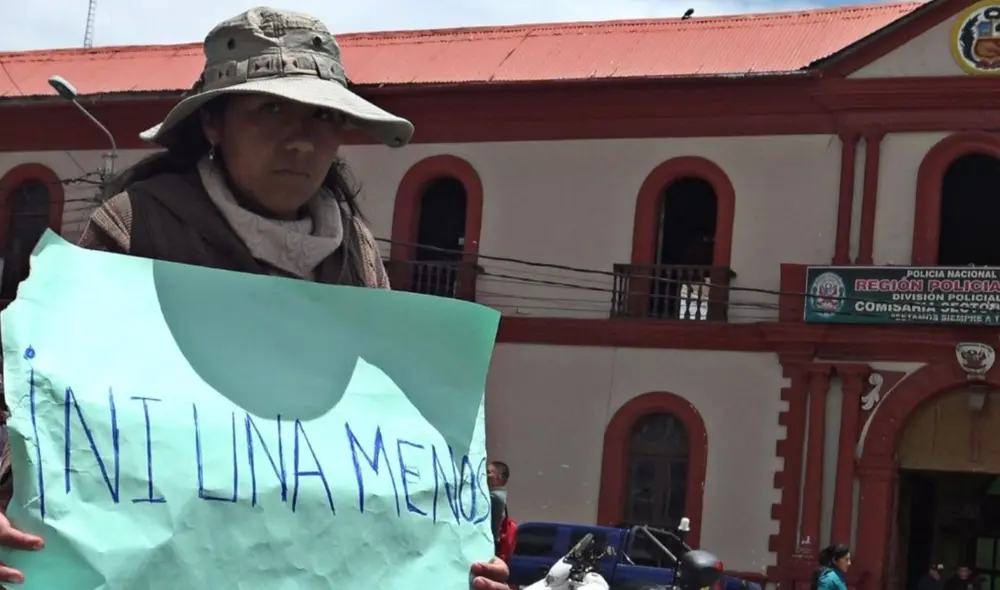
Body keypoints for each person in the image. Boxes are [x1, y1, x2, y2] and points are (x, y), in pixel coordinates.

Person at [0, 7, 509, 588]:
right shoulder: (138, 228)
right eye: (271, 109)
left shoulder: (358, 257)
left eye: (322, 116)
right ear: (214, 123)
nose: (300, 141)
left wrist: (457, 554)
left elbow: (400, 441)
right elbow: (41, 397)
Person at [488, 460, 516, 561]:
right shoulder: (500, 494)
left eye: (488, 472)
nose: (484, 475)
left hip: (490, 544)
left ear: (498, 477)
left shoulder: (494, 497)